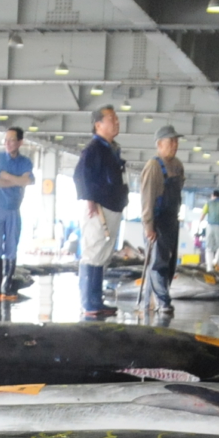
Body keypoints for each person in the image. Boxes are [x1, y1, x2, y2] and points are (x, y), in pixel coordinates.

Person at [71, 106, 129, 320]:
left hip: (113, 206)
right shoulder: (94, 148)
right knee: (93, 252)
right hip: (98, 208)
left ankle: (96, 299)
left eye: (117, 119)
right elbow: (81, 176)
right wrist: (89, 200)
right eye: (112, 119)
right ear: (98, 125)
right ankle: (89, 302)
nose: (117, 122)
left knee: (103, 254)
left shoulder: (112, 149)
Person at [136, 120, 183, 318]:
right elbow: (147, 198)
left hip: (172, 220)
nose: (174, 145)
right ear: (159, 144)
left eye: (175, 141)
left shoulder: (178, 166)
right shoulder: (153, 167)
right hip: (156, 222)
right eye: (170, 141)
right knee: (157, 264)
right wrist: (148, 225)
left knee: (169, 263)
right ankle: (164, 302)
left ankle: (151, 302)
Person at [0, 127, 32, 302]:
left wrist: (6, 176)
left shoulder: (26, 162)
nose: (7, 143)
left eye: (11, 140)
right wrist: (16, 180)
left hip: (14, 207)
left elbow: (27, 181)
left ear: (20, 142)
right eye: (5, 140)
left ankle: (7, 284)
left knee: (12, 244)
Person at [200, 190, 219, 269]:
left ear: (212, 195)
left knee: (209, 247)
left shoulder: (208, 203)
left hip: (209, 226)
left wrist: (199, 224)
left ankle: (209, 268)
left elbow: (203, 215)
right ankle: (216, 260)